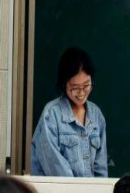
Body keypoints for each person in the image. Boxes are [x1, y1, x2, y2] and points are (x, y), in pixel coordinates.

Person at [31, 48, 108, 177]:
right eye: (75, 88)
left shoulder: (96, 115)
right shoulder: (51, 115)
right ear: (64, 84)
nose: (81, 93)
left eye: (86, 85)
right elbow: (55, 169)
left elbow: (101, 169)